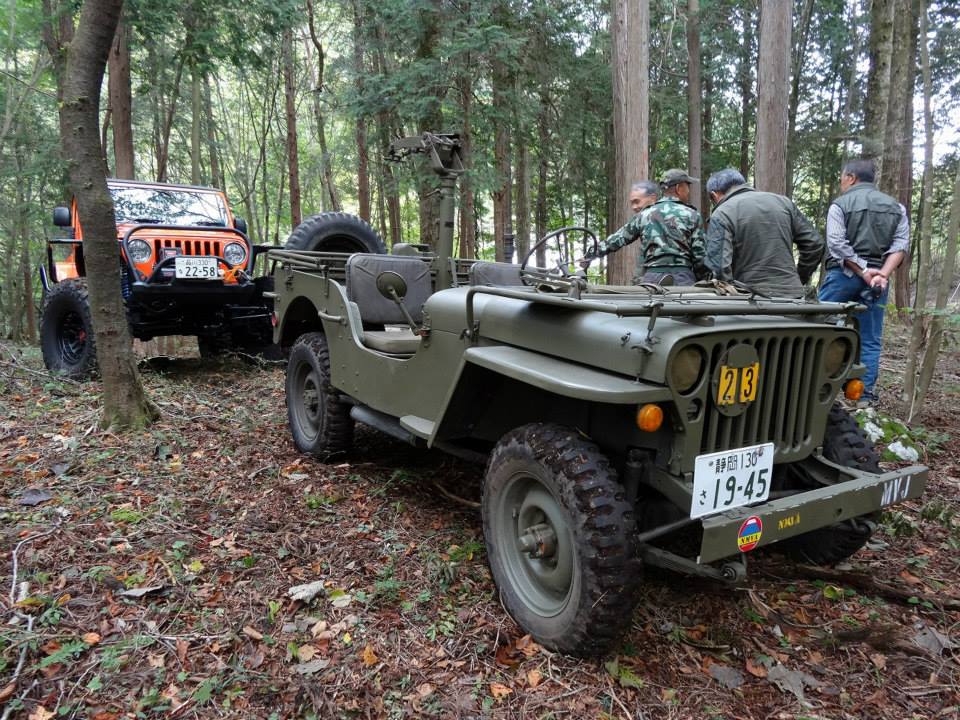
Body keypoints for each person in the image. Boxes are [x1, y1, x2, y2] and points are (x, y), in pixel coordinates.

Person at [818, 158, 908, 404]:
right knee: (870, 338)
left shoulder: (840, 205)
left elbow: (836, 243)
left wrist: (863, 270)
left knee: (818, 329)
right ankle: (862, 396)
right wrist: (882, 274)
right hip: (876, 283)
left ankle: (813, 391)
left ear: (851, 178)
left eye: (842, 179)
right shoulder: (897, 208)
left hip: (842, 276)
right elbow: (900, 245)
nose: (841, 184)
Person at [703, 168, 823, 298]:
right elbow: (815, 244)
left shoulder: (722, 213)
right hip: (792, 297)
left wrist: (733, 295)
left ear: (714, 195)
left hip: (749, 300)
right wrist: (798, 279)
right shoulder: (784, 203)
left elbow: (719, 268)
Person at [585, 171, 703, 285]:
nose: (688, 191)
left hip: (652, 279)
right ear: (679, 188)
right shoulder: (692, 214)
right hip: (683, 279)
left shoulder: (644, 215)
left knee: (653, 305)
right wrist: (703, 279)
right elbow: (700, 255)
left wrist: (589, 255)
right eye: (687, 186)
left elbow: (616, 239)